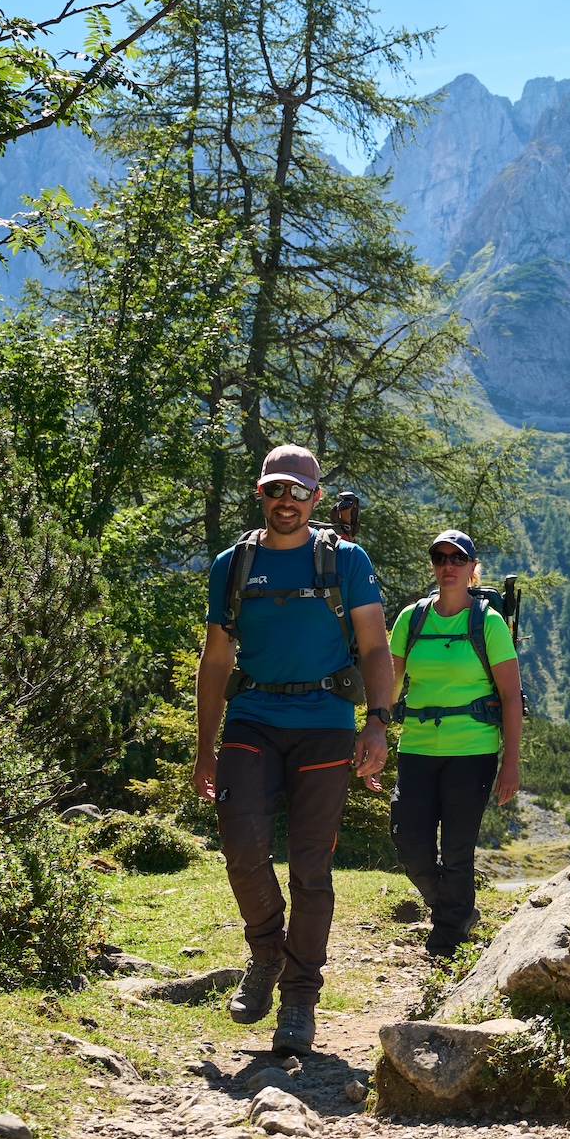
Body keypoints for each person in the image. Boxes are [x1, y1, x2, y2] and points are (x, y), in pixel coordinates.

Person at [191, 445, 395, 1056]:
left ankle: (300, 1000)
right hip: (251, 718)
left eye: (299, 491)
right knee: (242, 846)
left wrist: (377, 722)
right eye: (276, 489)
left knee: (311, 865)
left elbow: (375, 646)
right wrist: (205, 748)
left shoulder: (345, 560)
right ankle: (265, 953)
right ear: (262, 493)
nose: (288, 501)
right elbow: (217, 658)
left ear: (315, 497)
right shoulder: (234, 564)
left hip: (326, 724)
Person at [388, 529, 521, 957]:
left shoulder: (489, 623)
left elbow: (510, 698)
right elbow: (386, 689)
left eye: (457, 559)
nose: (447, 566)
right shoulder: (412, 619)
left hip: (473, 752)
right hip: (417, 749)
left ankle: (449, 938)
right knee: (410, 843)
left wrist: (510, 763)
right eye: (440, 557)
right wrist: (370, 737)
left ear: (471, 568)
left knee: (458, 850)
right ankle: (451, 906)